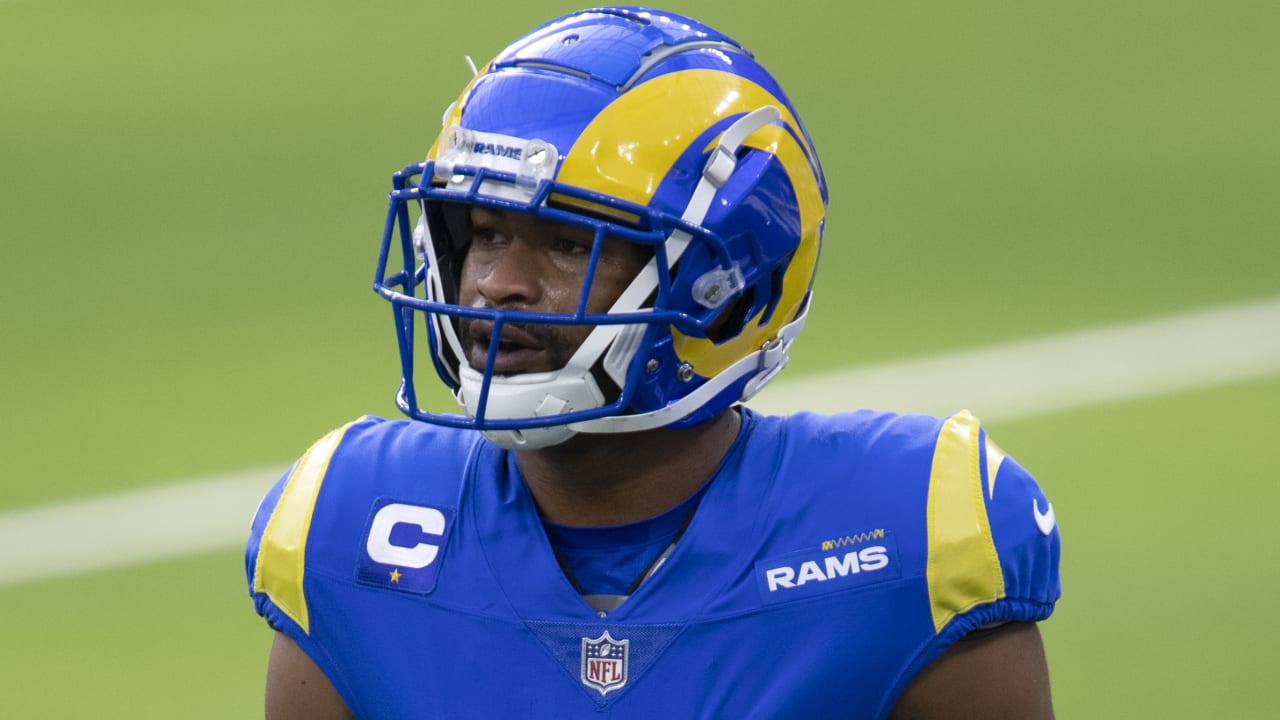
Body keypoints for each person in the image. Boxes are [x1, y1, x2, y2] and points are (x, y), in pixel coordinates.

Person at [245, 6, 1061, 718]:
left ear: (726, 289)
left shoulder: (912, 532)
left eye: (566, 244)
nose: (498, 286)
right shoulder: (349, 524)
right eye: (486, 235)